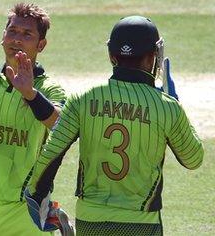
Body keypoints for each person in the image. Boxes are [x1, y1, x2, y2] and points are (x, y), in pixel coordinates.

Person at [25, 15, 204, 235]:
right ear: (152, 58)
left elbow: (51, 154)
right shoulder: (166, 107)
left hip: (90, 220)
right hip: (142, 223)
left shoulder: (83, 98)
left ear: (111, 56)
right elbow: (193, 159)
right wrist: (175, 105)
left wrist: (35, 198)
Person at [0, 3, 67, 235]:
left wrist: (30, 94)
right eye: (12, 31)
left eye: (27, 34)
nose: (17, 39)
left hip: (27, 212)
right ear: (2, 37)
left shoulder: (50, 89)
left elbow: (62, 126)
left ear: (41, 45)